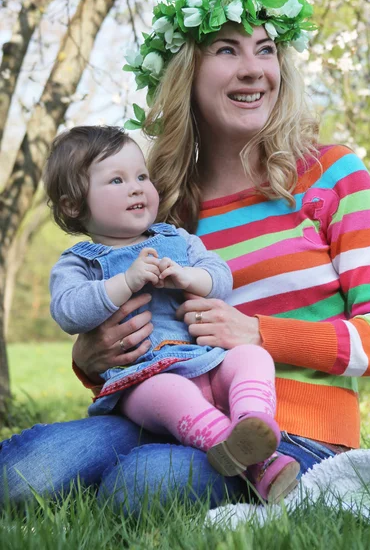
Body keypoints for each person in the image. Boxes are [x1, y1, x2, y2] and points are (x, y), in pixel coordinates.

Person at [1, 0, 370, 515]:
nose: (254, 69)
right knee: (22, 474)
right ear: (185, 71)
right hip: (174, 412)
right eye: (227, 50)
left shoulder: (331, 175)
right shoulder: (159, 203)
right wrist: (90, 357)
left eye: (266, 50)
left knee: (139, 487)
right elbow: (143, 339)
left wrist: (256, 333)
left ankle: (260, 471)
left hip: (299, 432)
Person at [44, 125, 299, 500]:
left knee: (251, 355)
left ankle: (252, 422)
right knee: (169, 390)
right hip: (145, 382)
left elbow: (220, 275)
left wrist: (187, 276)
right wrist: (125, 283)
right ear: (73, 204)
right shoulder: (80, 263)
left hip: (209, 362)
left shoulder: (175, 239)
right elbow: (68, 310)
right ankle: (231, 446)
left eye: (142, 176)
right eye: (116, 180)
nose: (137, 187)